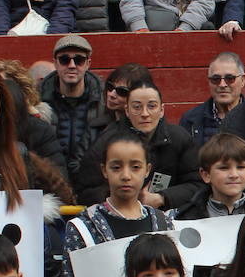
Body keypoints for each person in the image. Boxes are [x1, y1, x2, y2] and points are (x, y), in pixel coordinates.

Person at [61, 130, 174, 277]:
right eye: (116, 167)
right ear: (104, 170)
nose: (126, 176)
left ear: (147, 170)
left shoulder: (163, 222)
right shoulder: (84, 226)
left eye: (135, 167)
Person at [73, 78, 200, 208]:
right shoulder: (107, 142)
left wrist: (163, 197)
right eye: (137, 107)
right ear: (127, 111)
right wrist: (123, 198)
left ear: (161, 110)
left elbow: (198, 184)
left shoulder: (179, 138)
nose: (145, 114)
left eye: (151, 106)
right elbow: (85, 192)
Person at [37, 34, 108, 180]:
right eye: (64, 60)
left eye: (79, 60)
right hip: (50, 181)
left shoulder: (104, 99)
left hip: (92, 182)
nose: (71, 65)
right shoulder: (37, 98)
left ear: (88, 63)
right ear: (55, 63)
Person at [171, 133, 245, 220]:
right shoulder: (186, 217)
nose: (234, 175)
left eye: (241, 167)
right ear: (206, 174)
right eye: (224, 168)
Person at [180, 52, 245, 146]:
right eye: (216, 79)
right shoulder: (190, 120)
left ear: (243, 80)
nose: (222, 84)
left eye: (230, 78)